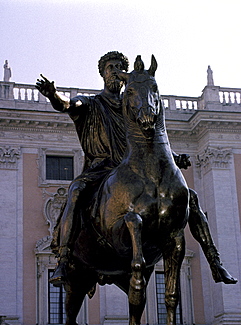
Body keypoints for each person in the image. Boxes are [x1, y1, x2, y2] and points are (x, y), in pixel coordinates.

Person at [36, 51, 237, 287]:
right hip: (101, 170)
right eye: (110, 66)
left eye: (119, 66)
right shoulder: (92, 103)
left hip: (134, 172)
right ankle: (63, 257)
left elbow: (150, 141)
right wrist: (53, 95)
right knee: (77, 190)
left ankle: (215, 260)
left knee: (189, 197)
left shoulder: (134, 105)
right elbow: (68, 104)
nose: (114, 70)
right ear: (103, 73)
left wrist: (174, 157)